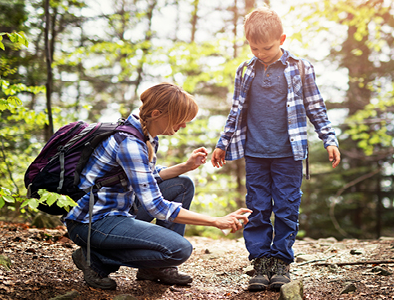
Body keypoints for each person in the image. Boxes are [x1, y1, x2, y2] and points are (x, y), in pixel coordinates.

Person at [65, 82, 252, 290]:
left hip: (120, 211)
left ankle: (155, 268)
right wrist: (216, 221)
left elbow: (148, 178)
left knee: (182, 185)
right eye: (180, 120)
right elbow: (156, 206)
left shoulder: (146, 135)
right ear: (156, 113)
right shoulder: (130, 143)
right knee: (179, 250)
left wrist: (186, 166)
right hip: (93, 222)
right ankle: (95, 259)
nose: (183, 126)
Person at [211, 7, 341, 292]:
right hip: (255, 153)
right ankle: (260, 261)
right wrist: (223, 144)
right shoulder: (245, 70)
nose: (260, 52)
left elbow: (315, 106)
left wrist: (329, 139)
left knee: (286, 207)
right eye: (254, 47)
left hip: (289, 155)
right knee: (257, 208)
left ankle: (281, 261)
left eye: (267, 47)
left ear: (282, 38)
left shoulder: (300, 67)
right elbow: (236, 111)